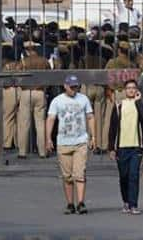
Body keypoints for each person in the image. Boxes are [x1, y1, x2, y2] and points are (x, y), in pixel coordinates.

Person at [46, 75, 96, 215]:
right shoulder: (57, 101)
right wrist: (48, 138)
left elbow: (90, 117)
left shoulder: (83, 99)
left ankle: (80, 202)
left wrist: (93, 136)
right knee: (67, 176)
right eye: (72, 87)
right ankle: (70, 203)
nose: (74, 89)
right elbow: (51, 118)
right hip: (63, 142)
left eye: (76, 87)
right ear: (65, 86)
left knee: (79, 173)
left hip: (80, 141)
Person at [107, 80, 143, 215]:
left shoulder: (140, 103)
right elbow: (112, 128)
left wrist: (139, 102)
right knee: (124, 176)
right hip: (121, 147)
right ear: (125, 90)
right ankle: (126, 201)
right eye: (128, 88)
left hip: (136, 146)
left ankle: (133, 204)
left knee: (134, 176)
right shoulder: (119, 105)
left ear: (137, 90)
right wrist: (111, 148)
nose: (131, 90)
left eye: (133, 88)